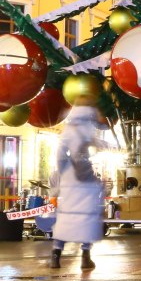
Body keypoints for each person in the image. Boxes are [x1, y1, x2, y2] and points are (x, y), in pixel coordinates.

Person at [49, 97, 112, 270]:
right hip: (87, 180)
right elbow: (95, 144)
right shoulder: (88, 127)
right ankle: (85, 256)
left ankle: (56, 254)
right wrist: (109, 146)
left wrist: (65, 172)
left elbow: (60, 154)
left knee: (66, 217)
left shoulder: (69, 128)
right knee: (88, 217)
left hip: (71, 181)